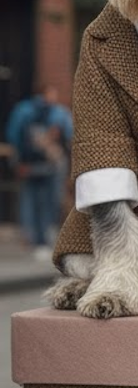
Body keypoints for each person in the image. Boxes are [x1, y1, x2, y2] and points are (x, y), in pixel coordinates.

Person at [4, 85, 73, 261]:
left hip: (29, 165)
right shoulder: (58, 112)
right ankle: (42, 239)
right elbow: (71, 136)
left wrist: (17, 163)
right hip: (49, 166)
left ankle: (34, 239)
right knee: (46, 201)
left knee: (31, 200)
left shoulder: (23, 110)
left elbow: (13, 136)